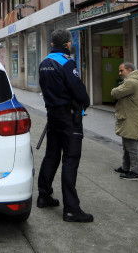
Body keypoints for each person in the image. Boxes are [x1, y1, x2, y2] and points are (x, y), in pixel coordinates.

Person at [37, 29, 94, 223]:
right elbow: (78, 91)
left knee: (51, 155)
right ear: (67, 44)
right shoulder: (66, 62)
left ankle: (44, 195)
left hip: (52, 114)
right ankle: (71, 208)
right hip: (69, 117)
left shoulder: (44, 63)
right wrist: (85, 102)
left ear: (52, 44)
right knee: (70, 160)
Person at [111, 62, 138, 181]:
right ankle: (125, 167)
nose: (119, 73)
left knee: (131, 146)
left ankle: (135, 172)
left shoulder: (131, 82)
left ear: (129, 70)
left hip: (130, 118)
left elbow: (115, 93)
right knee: (126, 145)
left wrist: (116, 89)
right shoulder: (132, 81)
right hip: (128, 117)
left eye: (121, 71)